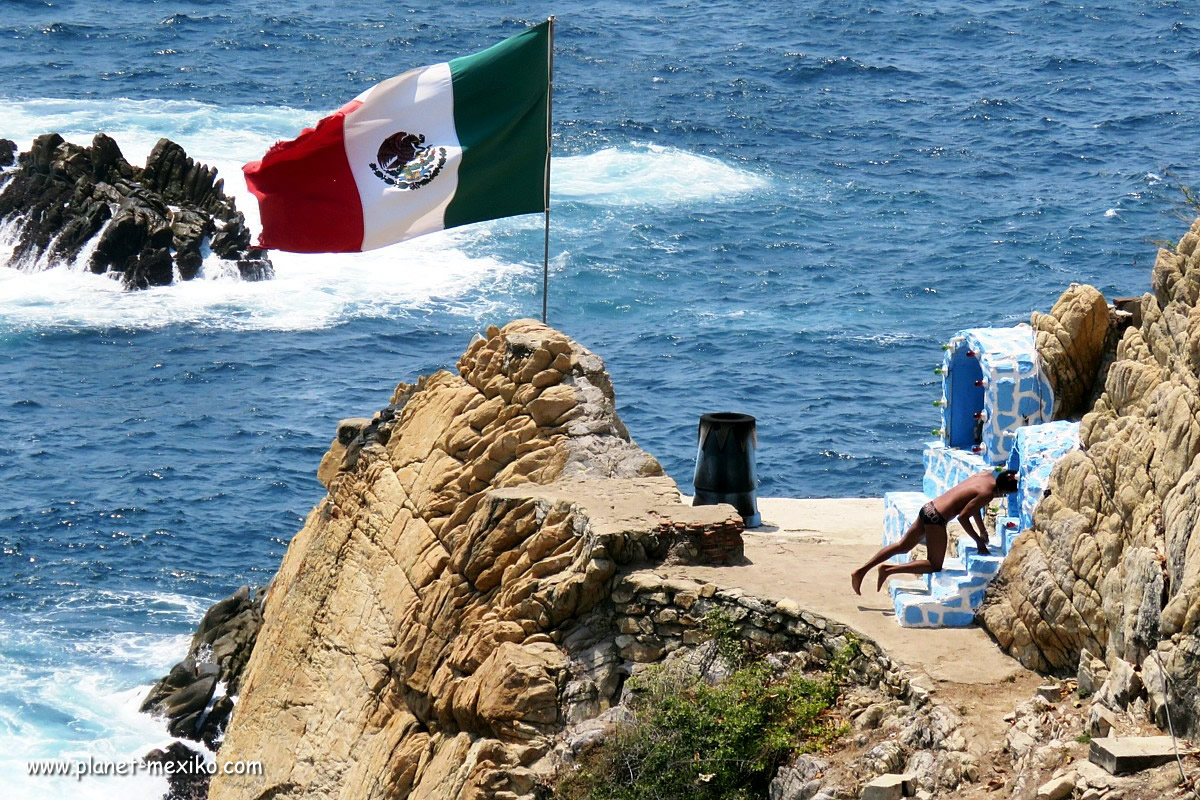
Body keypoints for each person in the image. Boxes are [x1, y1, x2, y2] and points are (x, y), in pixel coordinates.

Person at [850, 469, 1019, 595]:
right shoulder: (988, 494)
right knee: (934, 565)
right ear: (1006, 491)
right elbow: (963, 517)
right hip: (937, 519)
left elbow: (972, 505)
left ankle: (861, 571)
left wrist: (982, 530)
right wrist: (978, 541)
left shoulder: (985, 476)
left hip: (928, 508)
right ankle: (888, 570)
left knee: (902, 546)